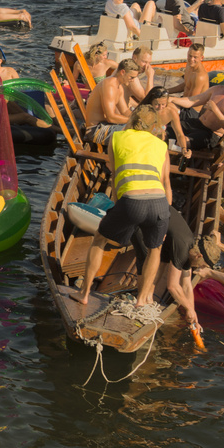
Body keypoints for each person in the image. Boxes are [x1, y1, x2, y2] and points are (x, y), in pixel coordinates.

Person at [78, 106, 171, 310]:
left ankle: (84, 293)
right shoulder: (161, 144)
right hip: (160, 203)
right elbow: (165, 181)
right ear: (154, 125)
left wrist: (121, 208)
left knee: (100, 239)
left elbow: (114, 174)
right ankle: (140, 301)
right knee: (155, 250)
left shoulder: (117, 137)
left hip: (132, 201)